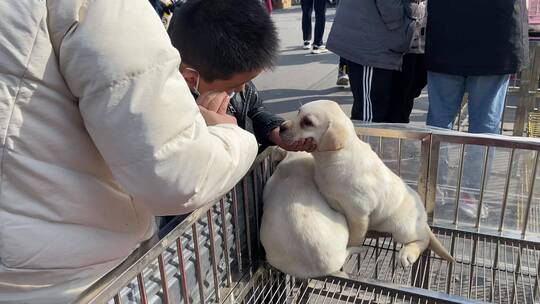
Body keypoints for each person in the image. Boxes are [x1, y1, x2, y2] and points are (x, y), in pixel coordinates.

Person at [0, 0, 258, 303]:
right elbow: (177, 175)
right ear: (191, 77)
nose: (240, 91)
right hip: (81, 275)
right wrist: (232, 134)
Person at [168, 0, 316, 153]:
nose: (242, 89)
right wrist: (220, 134)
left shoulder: (230, 76)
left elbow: (253, 108)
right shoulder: (167, 116)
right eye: (232, 86)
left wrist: (273, 130)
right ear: (191, 79)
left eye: (248, 81)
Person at [425, 0, 529, 218]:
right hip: (495, 37)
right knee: (484, 125)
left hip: (447, 32)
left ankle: (435, 186)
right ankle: (470, 194)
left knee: (440, 120)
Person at [326, 0, 419, 122]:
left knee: (375, 109)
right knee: (369, 114)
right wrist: (400, 22)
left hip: (374, 35)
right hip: (371, 40)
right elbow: (390, 9)